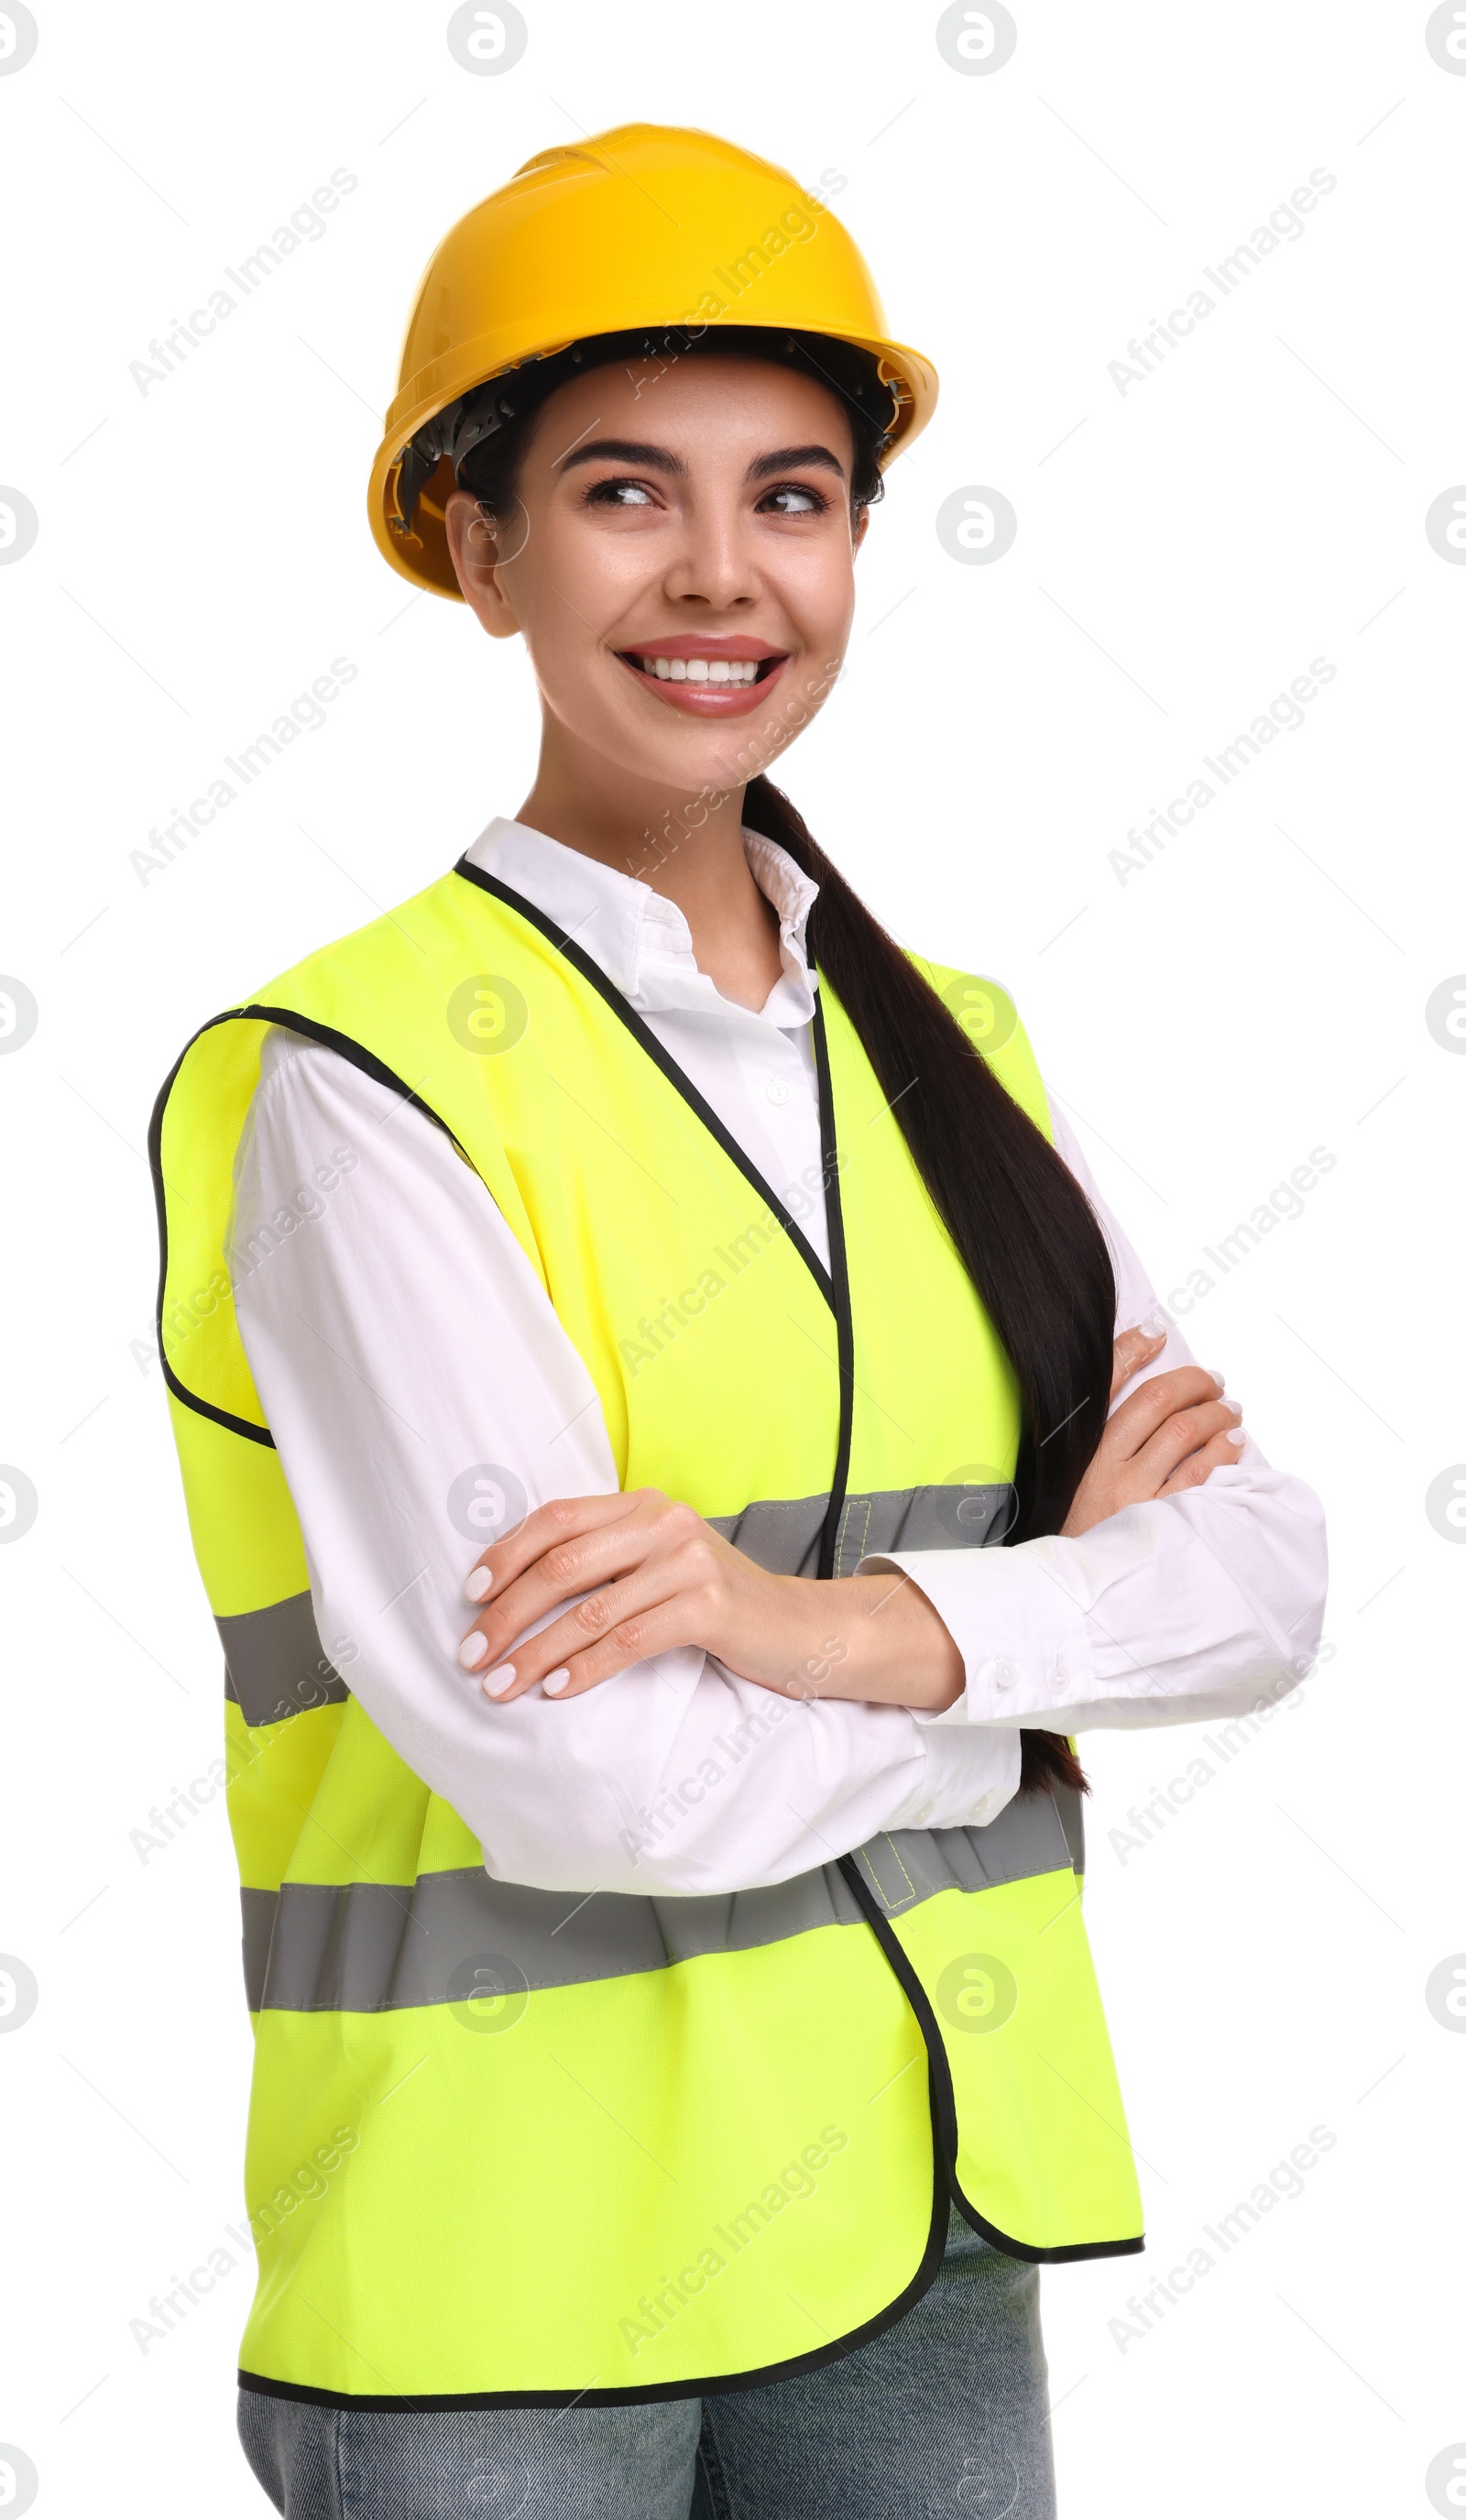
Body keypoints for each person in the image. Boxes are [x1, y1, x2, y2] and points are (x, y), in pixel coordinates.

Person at [151, 125, 1327, 2520]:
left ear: (858, 547)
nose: (718, 575)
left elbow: (1260, 1580)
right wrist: (1020, 1695)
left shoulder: (956, 1045)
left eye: (791, 496)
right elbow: (597, 1780)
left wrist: (792, 1623)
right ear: (475, 547)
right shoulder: (357, 1086)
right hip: (507, 2293)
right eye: (618, 493)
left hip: (917, 2228)